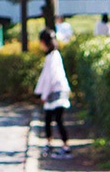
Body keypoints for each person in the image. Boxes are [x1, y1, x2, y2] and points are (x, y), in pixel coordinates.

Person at [34, 29, 72, 159]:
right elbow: (45, 77)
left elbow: (51, 77)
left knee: (58, 120)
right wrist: (39, 92)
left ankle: (66, 147)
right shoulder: (50, 56)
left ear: (43, 42)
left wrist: (43, 94)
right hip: (52, 92)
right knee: (48, 119)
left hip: (57, 92)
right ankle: (50, 144)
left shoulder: (54, 56)